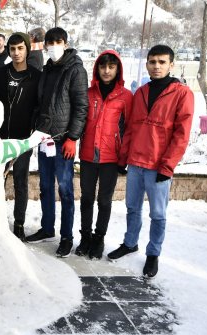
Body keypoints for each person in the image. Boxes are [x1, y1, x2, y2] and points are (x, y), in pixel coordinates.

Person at [108, 45, 194, 278]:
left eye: (162, 62)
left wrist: (168, 166)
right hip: (136, 161)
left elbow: (181, 134)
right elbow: (131, 128)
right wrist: (123, 158)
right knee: (132, 207)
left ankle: (153, 253)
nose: (156, 66)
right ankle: (130, 243)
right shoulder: (142, 92)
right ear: (146, 64)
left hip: (158, 166)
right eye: (152, 61)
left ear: (171, 65)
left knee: (158, 214)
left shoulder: (182, 93)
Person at [25, 27, 88, 258]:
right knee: (44, 186)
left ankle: (66, 237)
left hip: (63, 141)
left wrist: (73, 137)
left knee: (65, 189)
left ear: (65, 42)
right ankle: (47, 227)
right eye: (48, 42)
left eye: (57, 41)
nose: (52, 45)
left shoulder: (75, 70)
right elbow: (40, 103)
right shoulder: (46, 69)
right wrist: (34, 127)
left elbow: (81, 107)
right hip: (44, 138)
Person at [76, 50, 132, 260]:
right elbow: (80, 121)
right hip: (89, 156)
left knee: (104, 201)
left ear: (117, 69)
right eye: (102, 67)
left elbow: (129, 129)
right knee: (87, 198)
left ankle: (99, 239)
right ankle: (85, 237)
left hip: (111, 158)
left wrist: (123, 158)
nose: (106, 71)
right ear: (97, 69)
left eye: (111, 67)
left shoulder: (126, 96)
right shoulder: (88, 94)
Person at [0, 32, 40, 240]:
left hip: (22, 139)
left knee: (20, 181)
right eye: (12, 49)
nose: (16, 53)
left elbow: (39, 107)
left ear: (27, 49)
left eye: (20, 48)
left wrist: (33, 132)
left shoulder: (36, 76)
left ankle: (19, 222)